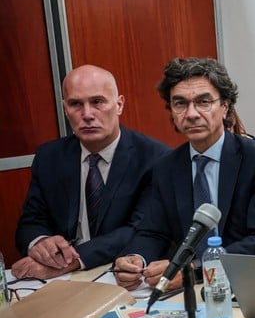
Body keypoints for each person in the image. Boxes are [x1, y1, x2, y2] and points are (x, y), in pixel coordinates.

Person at [113, 58, 255, 291]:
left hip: (251, 281)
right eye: (180, 104)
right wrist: (135, 259)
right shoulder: (166, 166)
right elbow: (153, 230)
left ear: (225, 106)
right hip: (188, 290)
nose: (192, 113)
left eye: (203, 102)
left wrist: (196, 270)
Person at [12, 65, 169, 279]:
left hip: (117, 271)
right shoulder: (49, 156)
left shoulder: (154, 158)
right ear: (65, 108)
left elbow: (139, 229)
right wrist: (40, 242)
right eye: (76, 104)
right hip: (57, 278)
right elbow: (30, 222)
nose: (87, 114)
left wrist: (72, 261)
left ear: (119, 105)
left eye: (97, 102)